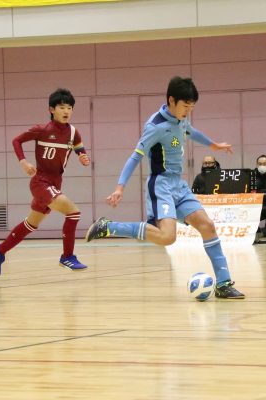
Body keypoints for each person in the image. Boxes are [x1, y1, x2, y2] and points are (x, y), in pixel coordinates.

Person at [85, 76, 245, 299]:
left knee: (207, 225)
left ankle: (223, 283)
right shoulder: (155, 126)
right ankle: (109, 227)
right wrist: (120, 188)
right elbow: (135, 157)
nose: (188, 110)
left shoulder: (182, 119)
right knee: (167, 237)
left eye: (192, 106)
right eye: (185, 105)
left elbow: (191, 131)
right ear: (171, 100)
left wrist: (214, 146)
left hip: (179, 185)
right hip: (160, 185)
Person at [0, 88, 91, 276]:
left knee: (31, 224)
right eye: (62, 107)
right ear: (52, 109)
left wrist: (83, 157)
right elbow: (16, 141)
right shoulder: (42, 130)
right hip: (41, 182)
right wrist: (23, 161)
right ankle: (67, 256)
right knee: (73, 213)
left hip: (56, 182)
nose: (66, 111)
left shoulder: (73, 132)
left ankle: (0, 250)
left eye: (69, 108)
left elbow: (80, 149)